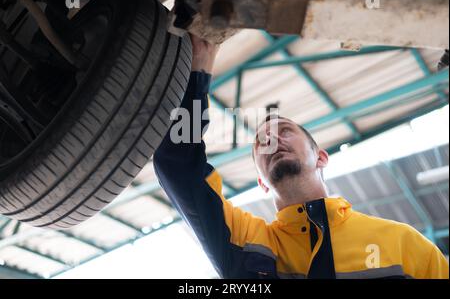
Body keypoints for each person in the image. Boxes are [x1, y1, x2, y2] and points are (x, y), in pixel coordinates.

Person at [153, 35, 449, 279]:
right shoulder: (246, 239)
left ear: (321, 157)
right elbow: (178, 163)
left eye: (284, 131)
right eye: (261, 143)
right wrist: (199, 70)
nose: (271, 141)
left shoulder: (401, 242)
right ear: (262, 182)